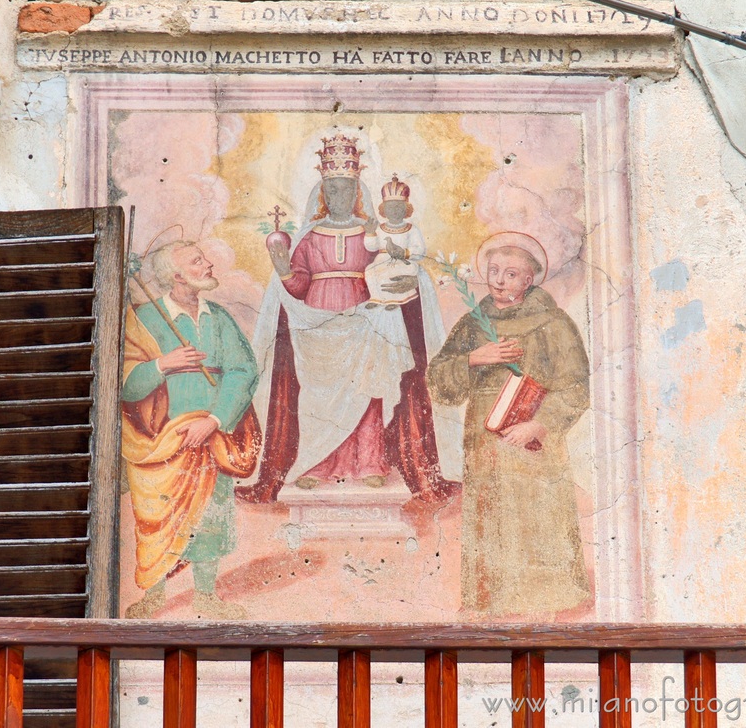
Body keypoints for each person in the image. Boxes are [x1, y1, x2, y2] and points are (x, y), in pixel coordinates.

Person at [238, 134, 459, 501]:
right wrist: (282, 269)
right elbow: (298, 285)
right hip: (317, 323)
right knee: (316, 394)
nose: (339, 197)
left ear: (357, 192)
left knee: (369, 388)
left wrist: (409, 277)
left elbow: (394, 267)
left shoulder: (372, 233)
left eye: (346, 190)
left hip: (366, 318)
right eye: (332, 190)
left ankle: (370, 462)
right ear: (322, 193)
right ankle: (315, 464)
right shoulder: (309, 237)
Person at [427, 235, 591, 615]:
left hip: (533, 442)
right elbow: (438, 381)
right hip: (485, 440)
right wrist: (473, 358)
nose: (499, 281)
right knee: (491, 517)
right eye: (494, 272)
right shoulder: (472, 324)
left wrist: (539, 425)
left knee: (536, 515)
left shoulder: (553, 323)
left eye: (511, 274)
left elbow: (578, 385)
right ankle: (493, 600)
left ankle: (546, 598)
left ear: (529, 280)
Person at [121, 240, 261, 619]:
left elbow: (243, 370)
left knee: (211, 513)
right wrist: (162, 365)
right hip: (160, 437)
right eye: (197, 261)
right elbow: (125, 385)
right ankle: (153, 594)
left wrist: (214, 420)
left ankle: (206, 595)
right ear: (176, 275)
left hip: (210, 432)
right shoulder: (145, 318)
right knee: (157, 515)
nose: (209, 263)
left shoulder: (218, 317)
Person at [364, 175, 426, 309]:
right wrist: (370, 233)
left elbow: (420, 250)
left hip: (404, 261)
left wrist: (406, 252)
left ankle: (396, 299)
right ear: (383, 209)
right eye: (390, 207)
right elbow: (371, 247)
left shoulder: (411, 229)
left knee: (395, 272)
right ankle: (377, 298)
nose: (394, 211)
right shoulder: (380, 229)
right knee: (370, 270)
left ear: (406, 209)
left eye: (399, 207)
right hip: (383, 260)